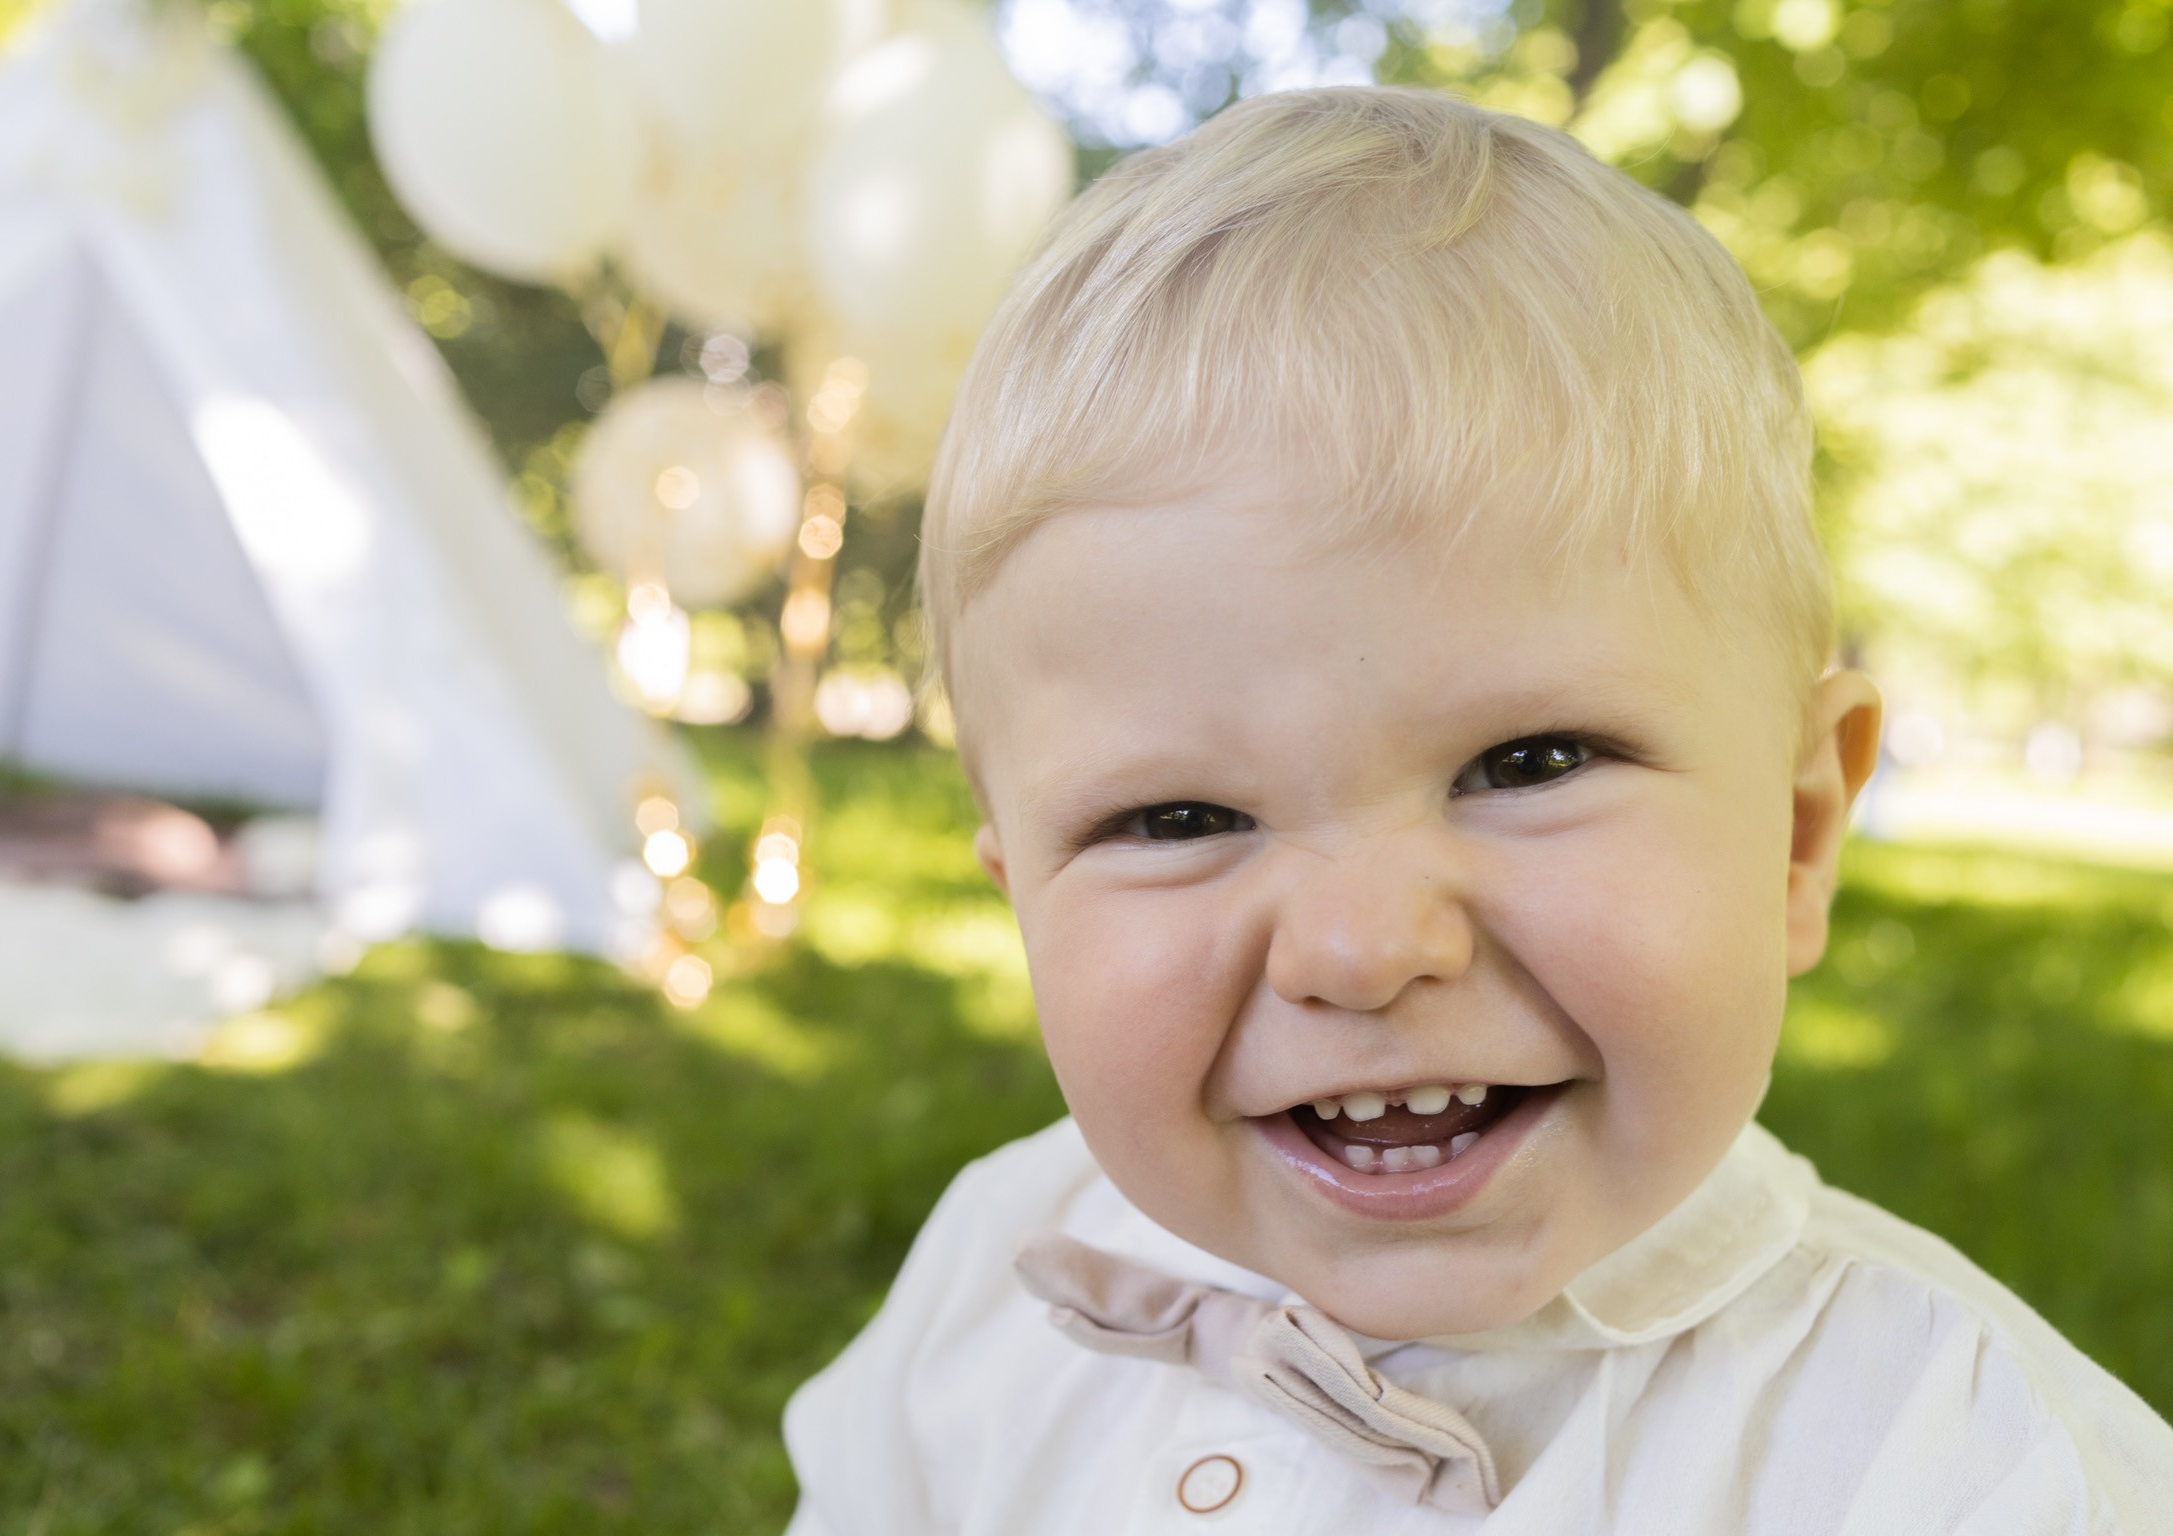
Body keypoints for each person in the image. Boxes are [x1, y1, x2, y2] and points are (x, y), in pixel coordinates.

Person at [781, 87, 2173, 1531]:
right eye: (1180, 820)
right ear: (1022, 905)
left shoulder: (1961, 1466)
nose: (1361, 946)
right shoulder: (1000, 1267)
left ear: (1798, 836)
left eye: (1529, 764)